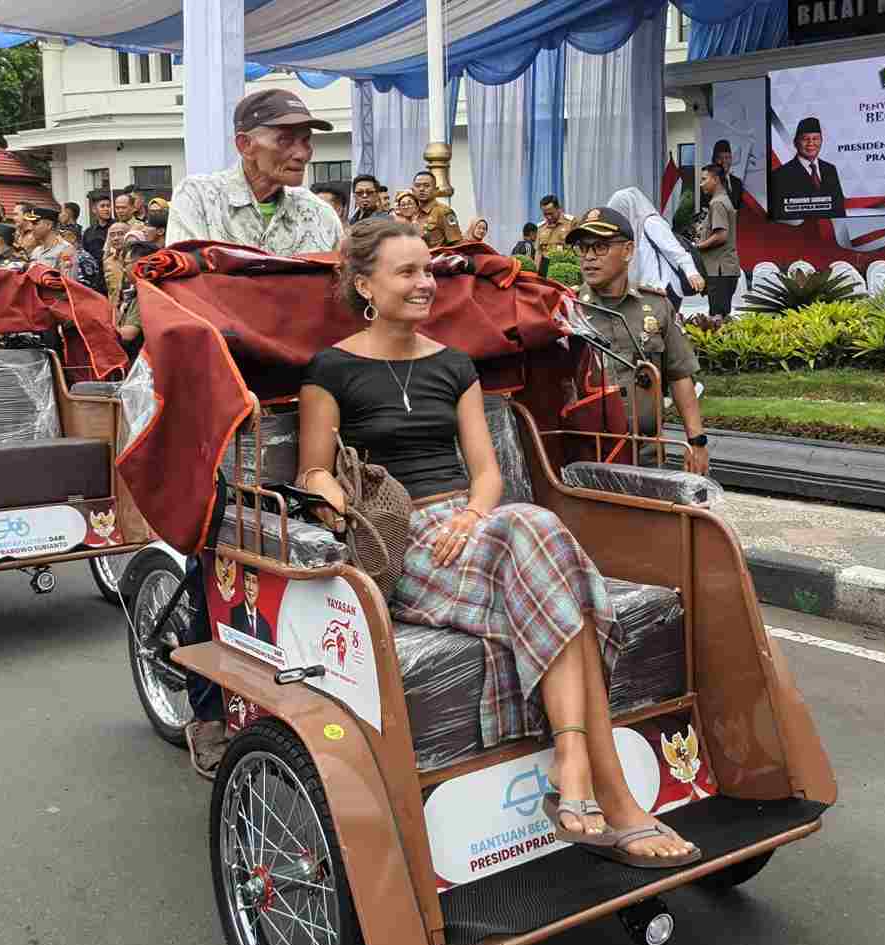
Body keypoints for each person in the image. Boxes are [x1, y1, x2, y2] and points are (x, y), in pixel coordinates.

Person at [289, 218, 698, 866]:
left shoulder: (454, 365)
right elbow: (312, 467)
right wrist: (332, 499)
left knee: (531, 528)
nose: (425, 283)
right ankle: (606, 792)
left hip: (476, 528)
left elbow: (488, 472)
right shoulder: (331, 369)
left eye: (428, 270)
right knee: (543, 543)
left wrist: (474, 516)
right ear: (364, 283)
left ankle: (574, 768)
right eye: (407, 272)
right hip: (403, 539)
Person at [567, 207, 709, 474]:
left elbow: (680, 375)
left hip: (646, 454)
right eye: (582, 248)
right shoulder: (568, 310)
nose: (588, 257)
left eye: (600, 247)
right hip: (587, 454)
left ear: (628, 251)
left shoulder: (656, 306)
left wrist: (697, 442)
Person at [167, 88, 343, 254]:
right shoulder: (199, 197)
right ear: (245, 145)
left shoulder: (319, 213)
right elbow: (184, 278)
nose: (302, 154)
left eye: (306, 140)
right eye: (285, 140)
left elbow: (341, 280)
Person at [606, 187, 705, 310]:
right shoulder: (632, 228)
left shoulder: (651, 222)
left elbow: (674, 249)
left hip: (663, 287)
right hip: (645, 288)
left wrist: (691, 272)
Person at [772, 116, 846, 218]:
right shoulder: (781, 174)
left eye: (815, 138)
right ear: (795, 143)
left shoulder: (830, 169)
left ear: (821, 141)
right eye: (805, 139)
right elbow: (780, 214)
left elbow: (839, 209)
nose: (811, 143)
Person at [694, 164, 740, 318]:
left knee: (717, 317)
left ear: (716, 180)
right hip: (724, 270)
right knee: (721, 315)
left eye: (704, 179)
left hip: (720, 270)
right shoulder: (722, 200)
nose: (701, 184)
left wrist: (697, 247)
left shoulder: (717, 203)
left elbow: (721, 236)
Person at [114, 240, 160, 360]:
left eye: (126, 264)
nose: (124, 270)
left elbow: (128, 334)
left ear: (140, 263)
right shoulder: (145, 290)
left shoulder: (147, 294)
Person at [413, 170, 462, 248]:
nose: (421, 189)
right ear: (413, 190)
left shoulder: (445, 212)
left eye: (426, 185)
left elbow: (456, 244)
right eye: (417, 186)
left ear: (435, 189)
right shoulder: (411, 211)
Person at [58, 221, 106, 294]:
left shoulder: (84, 258)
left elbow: (86, 286)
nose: (60, 241)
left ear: (73, 238)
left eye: (63, 236)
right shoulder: (66, 255)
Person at [229, 567, 274, 642]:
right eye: (247, 579)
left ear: (259, 586)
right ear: (243, 582)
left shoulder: (265, 626)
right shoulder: (233, 613)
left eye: (254, 581)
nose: (250, 587)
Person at [712, 140, 745, 211]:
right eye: (720, 158)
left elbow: (740, 210)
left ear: (731, 159)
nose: (724, 161)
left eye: (727, 157)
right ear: (714, 160)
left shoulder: (737, 182)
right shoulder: (708, 182)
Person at [83, 193, 115, 260]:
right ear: (94, 209)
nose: (106, 209)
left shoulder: (116, 227)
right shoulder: (88, 232)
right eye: (102, 206)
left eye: (108, 206)